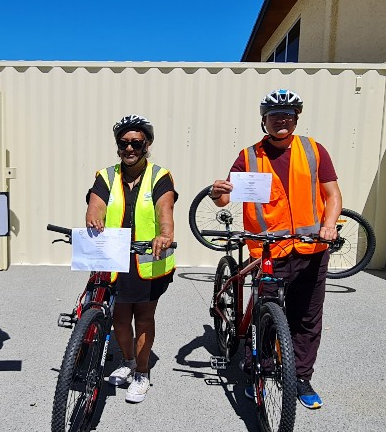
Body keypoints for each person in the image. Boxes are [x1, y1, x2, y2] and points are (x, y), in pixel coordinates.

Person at [208, 90, 341, 409]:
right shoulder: (249, 156)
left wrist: (330, 224)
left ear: (296, 118)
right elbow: (226, 198)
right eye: (274, 115)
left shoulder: (313, 150)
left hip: (312, 249)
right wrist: (217, 193)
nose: (281, 119)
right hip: (270, 251)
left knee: (308, 317)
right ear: (263, 120)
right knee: (267, 314)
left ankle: (302, 377)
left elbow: (333, 195)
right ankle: (263, 371)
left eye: (288, 114)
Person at [85, 115, 177, 403]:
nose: (129, 149)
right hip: (114, 257)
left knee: (144, 317)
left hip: (149, 259)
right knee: (121, 320)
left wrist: (165, 234)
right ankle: (127, 361)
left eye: (136, 143)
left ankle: (142, 372)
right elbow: (95, 205)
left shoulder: (160, 175)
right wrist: (93, 219)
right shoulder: (106, 175)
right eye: (123, 143)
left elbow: (165, 209)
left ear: (146, 144)